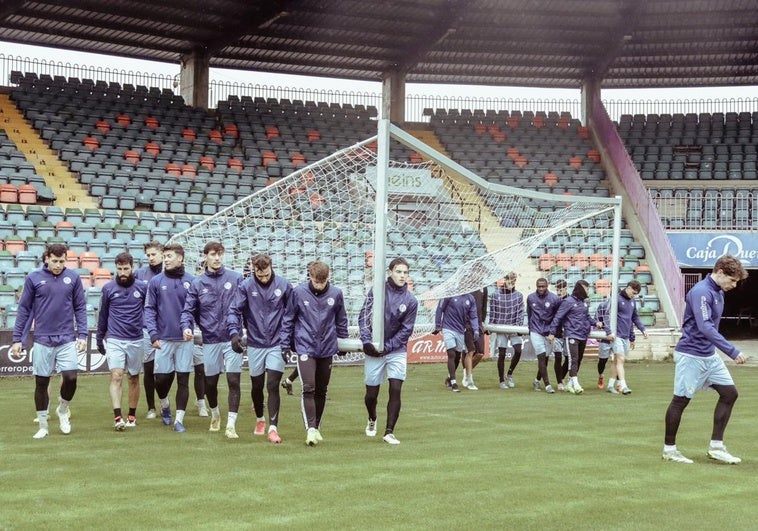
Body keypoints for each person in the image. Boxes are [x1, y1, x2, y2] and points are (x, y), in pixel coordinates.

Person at [662, 255, 748, 464]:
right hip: (691, 355)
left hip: (709, 356)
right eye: (732, 280)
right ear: (719, 272)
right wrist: (732, 351)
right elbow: (705, 326)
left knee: (729, 394)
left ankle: (716, 447)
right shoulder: (701, 291)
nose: (734, 285)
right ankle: (669, 450)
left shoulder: (719, 292)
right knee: (680, 400)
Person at [11, 243, 87, 438]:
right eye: (55, 261)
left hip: (67, 338)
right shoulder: (34, 278)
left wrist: (83, 334)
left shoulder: (73, 278)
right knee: (41, 383)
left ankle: (62, 410)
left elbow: (80, 307)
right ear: (47, 258)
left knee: (71, 377)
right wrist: (17, 339)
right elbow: (24, 310)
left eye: (62, 261)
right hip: (43, 339)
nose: (58, 265)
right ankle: (43, 426)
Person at [279, 260, 349, 446]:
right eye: (317, 281)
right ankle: (309, 429)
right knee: (308, 387)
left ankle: (316, 426)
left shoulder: (336, 293)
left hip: (327, 347)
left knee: (322, 389)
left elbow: (341, 319)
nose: (319, 284)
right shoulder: (298, 292)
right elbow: (288, 319)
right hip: (305, 346)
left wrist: (342, 342)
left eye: (323, 281)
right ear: (310, 276)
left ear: (328, 278)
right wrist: (285, 345)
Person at [228, 253, 292, 443]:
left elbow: (291, 314)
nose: (263, 278)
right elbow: (234, 310)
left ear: (271, 267)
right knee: (257, 386)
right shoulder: (246, 286)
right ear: (253, 270)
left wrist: (288, 340)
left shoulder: (284, 285)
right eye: (259, 275)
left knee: (272, 385)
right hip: (255, 342)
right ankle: (260, 418)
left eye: (266, 274)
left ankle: (273, 428)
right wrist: (234, 333)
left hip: (277, 342)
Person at [180, 242, 242, 438]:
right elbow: (188, 310)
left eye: (220, 254)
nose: (217, 258)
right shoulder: (198, 284)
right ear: (205, 256)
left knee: (234, 380)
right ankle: (215, 413)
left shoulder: (236, 278)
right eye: (213, 255)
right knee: (211, 384)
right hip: (210, 339)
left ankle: (231, 423)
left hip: (233, 338)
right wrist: (186, 327)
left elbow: (245, 306)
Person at [359, 257, 418, 445]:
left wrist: (388, 347)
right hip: (374, 349)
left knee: (395, 388)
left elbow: (406, 331)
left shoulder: (411, 300)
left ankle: (389, 431)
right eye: (399, 272)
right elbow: (363, 316)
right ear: (390, 272)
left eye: (405, 272)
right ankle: (372, 418)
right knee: (371, 395)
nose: (402, 276)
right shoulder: (377, 291)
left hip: (396, 350)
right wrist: (367, 341)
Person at [144, 243, 195, 432]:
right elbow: (149, 309)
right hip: (163, 339)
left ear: (180, 258)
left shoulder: (192, 281)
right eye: (164, 256)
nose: (165, 259)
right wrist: (153, 334)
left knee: (183, 379)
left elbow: (194, 309)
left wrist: (190, 327)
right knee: (160, 379)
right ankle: (164, 405)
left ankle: (179, 420)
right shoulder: (156, 282)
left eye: (169, 256)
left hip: (185, 340)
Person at [96, 252, 147, 431]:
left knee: (133, 377)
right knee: (116, 375)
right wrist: (99, 338)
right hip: (115, 339)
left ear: (132, 267)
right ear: (115, 268)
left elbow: (149, 312)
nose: (123, 272)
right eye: (119, 269)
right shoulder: (108, 288)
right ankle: (118, 417)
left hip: (136, 339)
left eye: (126, 269)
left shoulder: (142, 287)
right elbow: (103, 315)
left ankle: (131, 415)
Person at [548, 280, 602, 394]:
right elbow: (557, 317)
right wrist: (552, 332)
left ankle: (569, 383)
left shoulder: (584, 302)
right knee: (573, 359)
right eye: (586, 289)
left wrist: (595, 323)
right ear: (581, 289)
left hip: (583, 335)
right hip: (571, 334)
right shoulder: (568, 302)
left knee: (578, 360)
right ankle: (576, 384)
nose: (588, 291)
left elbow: (587, 317)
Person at [596, 279, 648, 395]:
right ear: (628, 288)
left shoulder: (633, 302)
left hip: (625, 336)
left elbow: (634, 318)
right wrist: (609, 331)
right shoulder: (616, 300)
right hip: (616, 335)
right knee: (620, 359)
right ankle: (623, 385)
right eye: (633, 293)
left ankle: (610, 385)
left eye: (636, 294)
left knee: (616, 362)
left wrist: (642, 329)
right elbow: (606, 316)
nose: (634, 296)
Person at [134, 240, 163, 419]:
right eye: (148, 255)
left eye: (154, 254)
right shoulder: (140, 274)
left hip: (166, 328)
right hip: (146, 328)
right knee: (149, 369)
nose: (151, 258)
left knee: (165, 372)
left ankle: (164, 402)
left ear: (161, 253)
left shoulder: (169, 273)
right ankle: (151, 407)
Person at [434, 293, 478, 392]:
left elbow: (473, 316)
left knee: (457, 356)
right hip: (447, 327)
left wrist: (476, 329)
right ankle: (454, 382)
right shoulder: (450, 294)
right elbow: (440, 309)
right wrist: (437, 324)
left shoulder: (470, 298)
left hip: (460, 330)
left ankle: (449, 377)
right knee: (451, 353)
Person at [523, 277, 561, 393]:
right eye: (539, 286)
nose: (541, 288)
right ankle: (548, 385)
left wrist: (553, 333)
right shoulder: (530, 298)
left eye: (543, 286)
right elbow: (529, 315)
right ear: (536, 286)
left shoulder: (554, 299)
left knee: (545, 358)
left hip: (548, 332)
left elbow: (557, 318)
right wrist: (530, 329)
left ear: (547, 286)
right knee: (541, 356)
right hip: (535, 330)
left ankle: (536, 380)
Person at [488, 272, 524, 390]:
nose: (511, 283)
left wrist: (518, 327)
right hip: (501, 328)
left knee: (518, 351)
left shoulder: (518, 295)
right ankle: (501, 380)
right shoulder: (495, 294)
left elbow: (520, 312)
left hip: (513, 327)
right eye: (509, 280)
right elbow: (493, 312)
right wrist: (491, 326)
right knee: (502, 354)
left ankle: (509, 373)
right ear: (505, 280)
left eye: (513, 281)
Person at [462, 285, 487, 391]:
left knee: (480, 353)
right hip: (467, 324)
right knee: (470, 351)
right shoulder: (467, 286)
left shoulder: (484, 287)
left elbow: (484, 306)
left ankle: (465, 372)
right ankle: (469, 380)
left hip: (478, 324)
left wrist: (483, 322)